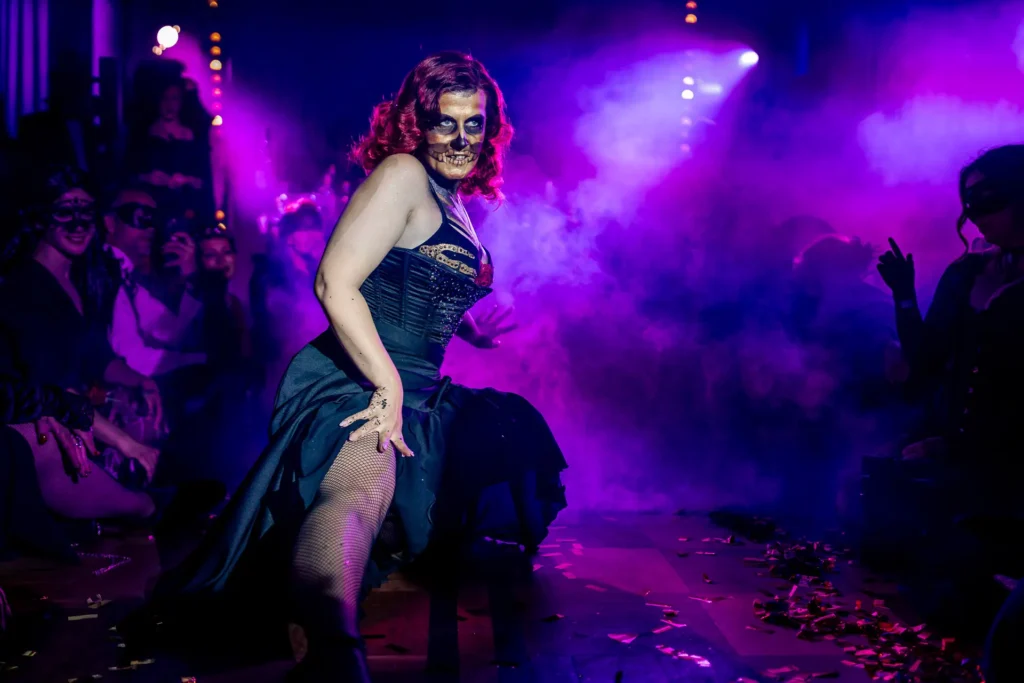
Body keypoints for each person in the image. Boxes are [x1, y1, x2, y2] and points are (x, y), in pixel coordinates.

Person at [147, 52, 567, 681]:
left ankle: (310, 602)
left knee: (467, 466)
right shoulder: (402, 173)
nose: (460, 139)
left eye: (474, 124)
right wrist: (387, 384)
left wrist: (472, 330)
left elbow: (415, 278)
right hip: (360, 378)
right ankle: (333, 654)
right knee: (357, 493)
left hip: (418, 388)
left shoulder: (451, 200)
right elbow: (335, 282)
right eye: (445, 122)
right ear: (418, 124)